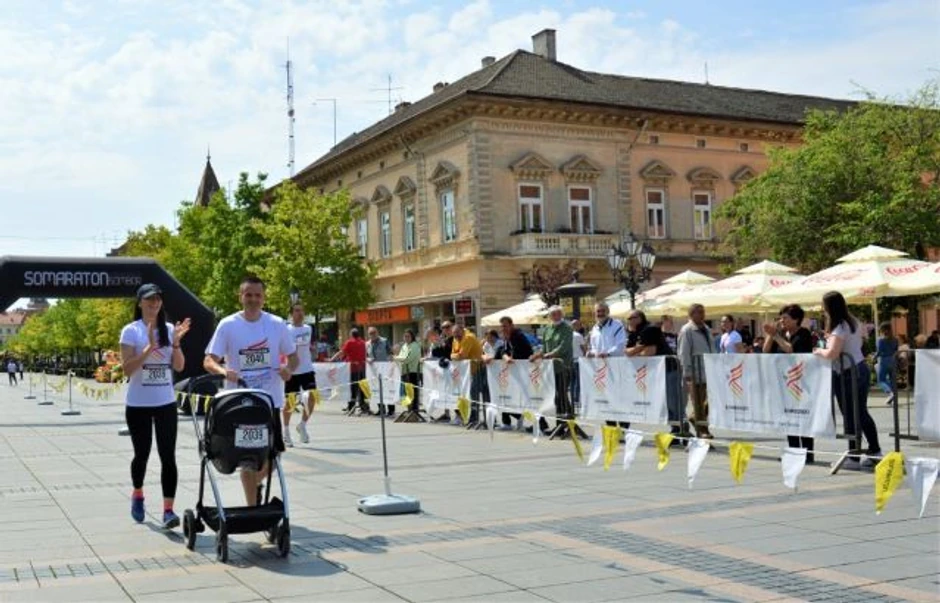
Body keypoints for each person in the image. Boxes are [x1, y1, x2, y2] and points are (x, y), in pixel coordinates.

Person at [204, 276, 299, 506]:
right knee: (246, 459)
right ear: (241, 297)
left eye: (258, 295)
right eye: (248, 295)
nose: (253, 299)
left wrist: (288, 370)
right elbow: (208, 360)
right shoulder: (228, 325)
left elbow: (294, 357)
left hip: (269, 402)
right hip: (240, 404)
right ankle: (252, 509)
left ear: (264, 298)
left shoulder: (276, 324)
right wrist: (223, 371)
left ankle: (256, 482)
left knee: (274, 455)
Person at [120, 283, 191, 528]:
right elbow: (127, 369)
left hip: (165, 403)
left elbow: (179, 366)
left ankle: (168, 511)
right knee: (142, 454)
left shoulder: (170, 329)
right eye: (149, 299)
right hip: (138, 404)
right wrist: (149, 347)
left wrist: (176, 343)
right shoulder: (131, 331)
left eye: (158, 299)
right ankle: (138, 493)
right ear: (140, 303)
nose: (154, 303)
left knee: (168, 456)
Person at [813, 291, 881, 469]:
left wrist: (819, 351)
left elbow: (832, 353)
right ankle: (873, 451)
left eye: (824, 305)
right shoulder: (852, 322)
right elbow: (857, 343)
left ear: (830, 307)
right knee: (859, 413)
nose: (822, 309)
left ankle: (855, 456)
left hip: (849, 372)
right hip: (858, 368)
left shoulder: (840, 326)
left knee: (852, 414)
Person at [762, 304, 815, 462]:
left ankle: (807, 453)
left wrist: (776, 336)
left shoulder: (803, 333)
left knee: (803, 418)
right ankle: (793, 451)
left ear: (796, 319)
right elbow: (766, 350)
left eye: (785, 318)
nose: (782, 321)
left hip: (802, 382)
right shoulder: (781, 334)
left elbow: (792, 350)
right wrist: (771, 335)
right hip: (785, 382)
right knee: (789, 417)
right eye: (780, 318)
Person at [635, 322, 684, 442]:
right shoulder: (648, 330)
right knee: (669, 403)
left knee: (673, 402)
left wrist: (636, 354)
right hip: (664, 370)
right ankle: (676, 429)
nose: (629, 320)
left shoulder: (649, 330)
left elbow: (650, 352)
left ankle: (680, 429)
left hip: (669, 370)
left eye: (632, 318)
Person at [531, 306, 573, 433]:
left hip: (563, 367)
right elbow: (544, 347)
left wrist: (550, 354)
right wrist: (537, 355)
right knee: (556, 397)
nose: (556, 316)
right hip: (549, 369)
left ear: (562, 315)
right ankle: (564, 424)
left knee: (562, 396)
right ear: (550, 316)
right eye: (553, 314)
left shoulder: (567, 328)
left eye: (558, 313)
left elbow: (564, 346)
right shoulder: (547, 329)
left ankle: (566, 424)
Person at [677, 304, 714, 438]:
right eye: (699, 312)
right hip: (695, 371)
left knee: (710, 400)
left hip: (708, 370)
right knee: (698, 402)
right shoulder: (687, 330)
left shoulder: (706, 329)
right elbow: (683, 352)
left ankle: (694, 418)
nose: (702, 315)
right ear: (691, 314)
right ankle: (703, 430)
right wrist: (687, 373)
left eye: (703, 312)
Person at [283, 302, 316, 447]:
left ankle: (302, 425)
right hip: (292, 370)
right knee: (290, 402)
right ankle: (286, 431)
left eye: (302, 311)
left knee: (312, 398)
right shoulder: (286, 329)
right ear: (291, 313)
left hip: (307, 369)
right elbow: (289, 348)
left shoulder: (308, 328)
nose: (300, 313)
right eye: (297, 311)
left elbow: (304, 344)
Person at [493, 316, 534, 430]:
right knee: (505, 395)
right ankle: (508, 422)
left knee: (526, 398)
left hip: (522, 371)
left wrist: (511, 357)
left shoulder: (518, 336)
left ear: (511, 325)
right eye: (501, 326)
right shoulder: (507, 337)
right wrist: (504, 356)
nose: (503, 328)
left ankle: (541, 424)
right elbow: (503, 351)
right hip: (511, 371)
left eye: (505, 326)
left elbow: (526, 351)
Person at [452, 324, 485, 425]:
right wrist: (455, 355)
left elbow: (462, 355)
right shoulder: (456, 339)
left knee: (477, 395)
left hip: (478, 369)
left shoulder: (468, 337)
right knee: (471, 394)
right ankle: (473, 417)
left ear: (462, 330)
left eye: (457, 333)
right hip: (468, 371)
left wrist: (454, 355)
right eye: (454, 334)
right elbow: (453, 354)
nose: (456, 336)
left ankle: (476, 418)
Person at [332, 329, 368, 415]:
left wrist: (332, 358)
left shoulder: (349, 342)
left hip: (352, 369)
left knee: (352, 388)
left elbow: (341, 352)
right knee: (361, 387)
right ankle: (363, 406)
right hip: (362, 368)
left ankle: (351, 406)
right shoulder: (363, 343)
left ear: (351, 334)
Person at [366, 327, 394, 416]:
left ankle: (391, 410)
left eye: (374, 333)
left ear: (377, 332)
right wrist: (368, 359)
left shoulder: (384, 341)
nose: (372, 335)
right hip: (373, 371)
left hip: (385, 370)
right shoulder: (367, 344)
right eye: (370, 333)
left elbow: (390, 353)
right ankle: (381, 409)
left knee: (387, 389)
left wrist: (390, 364)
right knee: (377, 390)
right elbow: (366, 355)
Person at [396, 329, 422, 413]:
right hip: (404, 372)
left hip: (413, 372)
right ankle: (409, 410)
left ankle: (414, 411)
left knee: (413, 392)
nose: (406, 338)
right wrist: (398, 358)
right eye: (405, 336)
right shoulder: (404, 346)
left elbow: (408, 359)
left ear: (412, 337)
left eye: (408, 336)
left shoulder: (415, 346)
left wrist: (396, 358)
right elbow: (401, 357)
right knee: (406, 393)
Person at [875, 323, 899, 406]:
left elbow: (879, 352)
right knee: (892, 380)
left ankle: (890, 392)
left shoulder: (880, 340)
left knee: (881, 380)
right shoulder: (895, 339)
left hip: (884, 360)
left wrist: (874, 357)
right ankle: (893, 398)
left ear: (882, 330)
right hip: (893, 360)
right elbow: (896, 350)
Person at [570, 319, 586, 412]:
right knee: (578, 381)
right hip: (578, 360)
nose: (580, 326)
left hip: (570, 361)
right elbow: (583, 348)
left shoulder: (567, 335)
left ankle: (572, 399)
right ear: (576, 326)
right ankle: (576, 399)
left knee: (572, 381)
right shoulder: (578, 335)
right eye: (579, 325)